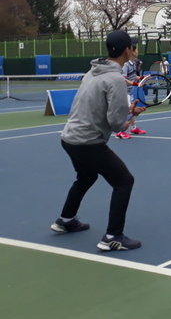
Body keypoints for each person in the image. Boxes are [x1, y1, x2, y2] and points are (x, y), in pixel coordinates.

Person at [50, 30, 147, 251]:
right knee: (124, 181)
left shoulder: (91, 72)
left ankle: (65, 220)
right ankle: (113, 237)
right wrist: (130, 116)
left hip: (69, 138)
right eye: (133, 47)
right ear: (127, 51)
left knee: (86, 176)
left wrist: (126, 113)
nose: (135, 50)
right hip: (87, 142)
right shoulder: (115, 79)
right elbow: (115, 123)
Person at [117, 37, 146, 139]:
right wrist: (136, 84)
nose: (137, 51)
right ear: (132, 52)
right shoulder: (125, 65)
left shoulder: (133, 64)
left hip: (129, 92)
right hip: (123, 92)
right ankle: (120, 132)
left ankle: (133, 128)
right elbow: (123, 80)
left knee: (131, 110)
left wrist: (142, 78)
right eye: (136, 50)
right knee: (128, 112)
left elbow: (133, 76)